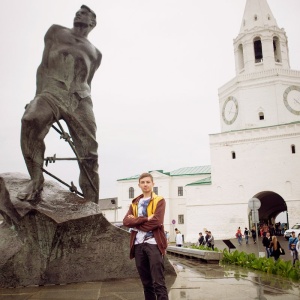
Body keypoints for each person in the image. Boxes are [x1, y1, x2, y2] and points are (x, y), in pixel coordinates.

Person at [17, 5, 102, 203]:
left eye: (84, 13)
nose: (78, 14)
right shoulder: (56, 31)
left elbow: (88, 81)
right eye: (78, 12)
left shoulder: (96, 54)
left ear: (92, 22)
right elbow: (43, 65)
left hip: (79, 99)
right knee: (30, 119)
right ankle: (36, 180)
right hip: (52, 91)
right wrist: (37, 97)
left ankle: (92, 203)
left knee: (89, 153)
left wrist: (85, 106)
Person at [123, 172, 168, 300]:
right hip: (138, 245)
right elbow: (126, 221)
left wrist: (136, 222)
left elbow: (157, 221)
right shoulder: (135, 203)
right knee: (146, 283)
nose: (145, 185)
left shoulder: (159, 200)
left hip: (153, 243)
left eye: (148, 182)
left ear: (153, 184)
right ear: (139, 185)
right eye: (143, 182)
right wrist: (146, 218)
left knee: (158, 282)